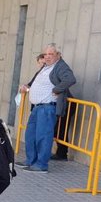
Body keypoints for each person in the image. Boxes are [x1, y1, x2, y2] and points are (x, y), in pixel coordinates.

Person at [18, 43, 76, 172]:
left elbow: (70, 79)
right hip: (37, 107)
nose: (48, 57)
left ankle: (41, 165)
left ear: (58, 55)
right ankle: (30, 160)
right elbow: (35, 82)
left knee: (43, 136)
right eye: (46, 54)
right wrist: (27, 87)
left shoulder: (60, 66)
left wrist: (57, 89)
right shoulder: (45, 66)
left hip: (47, 107)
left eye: (51, 54)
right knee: (30, 135)